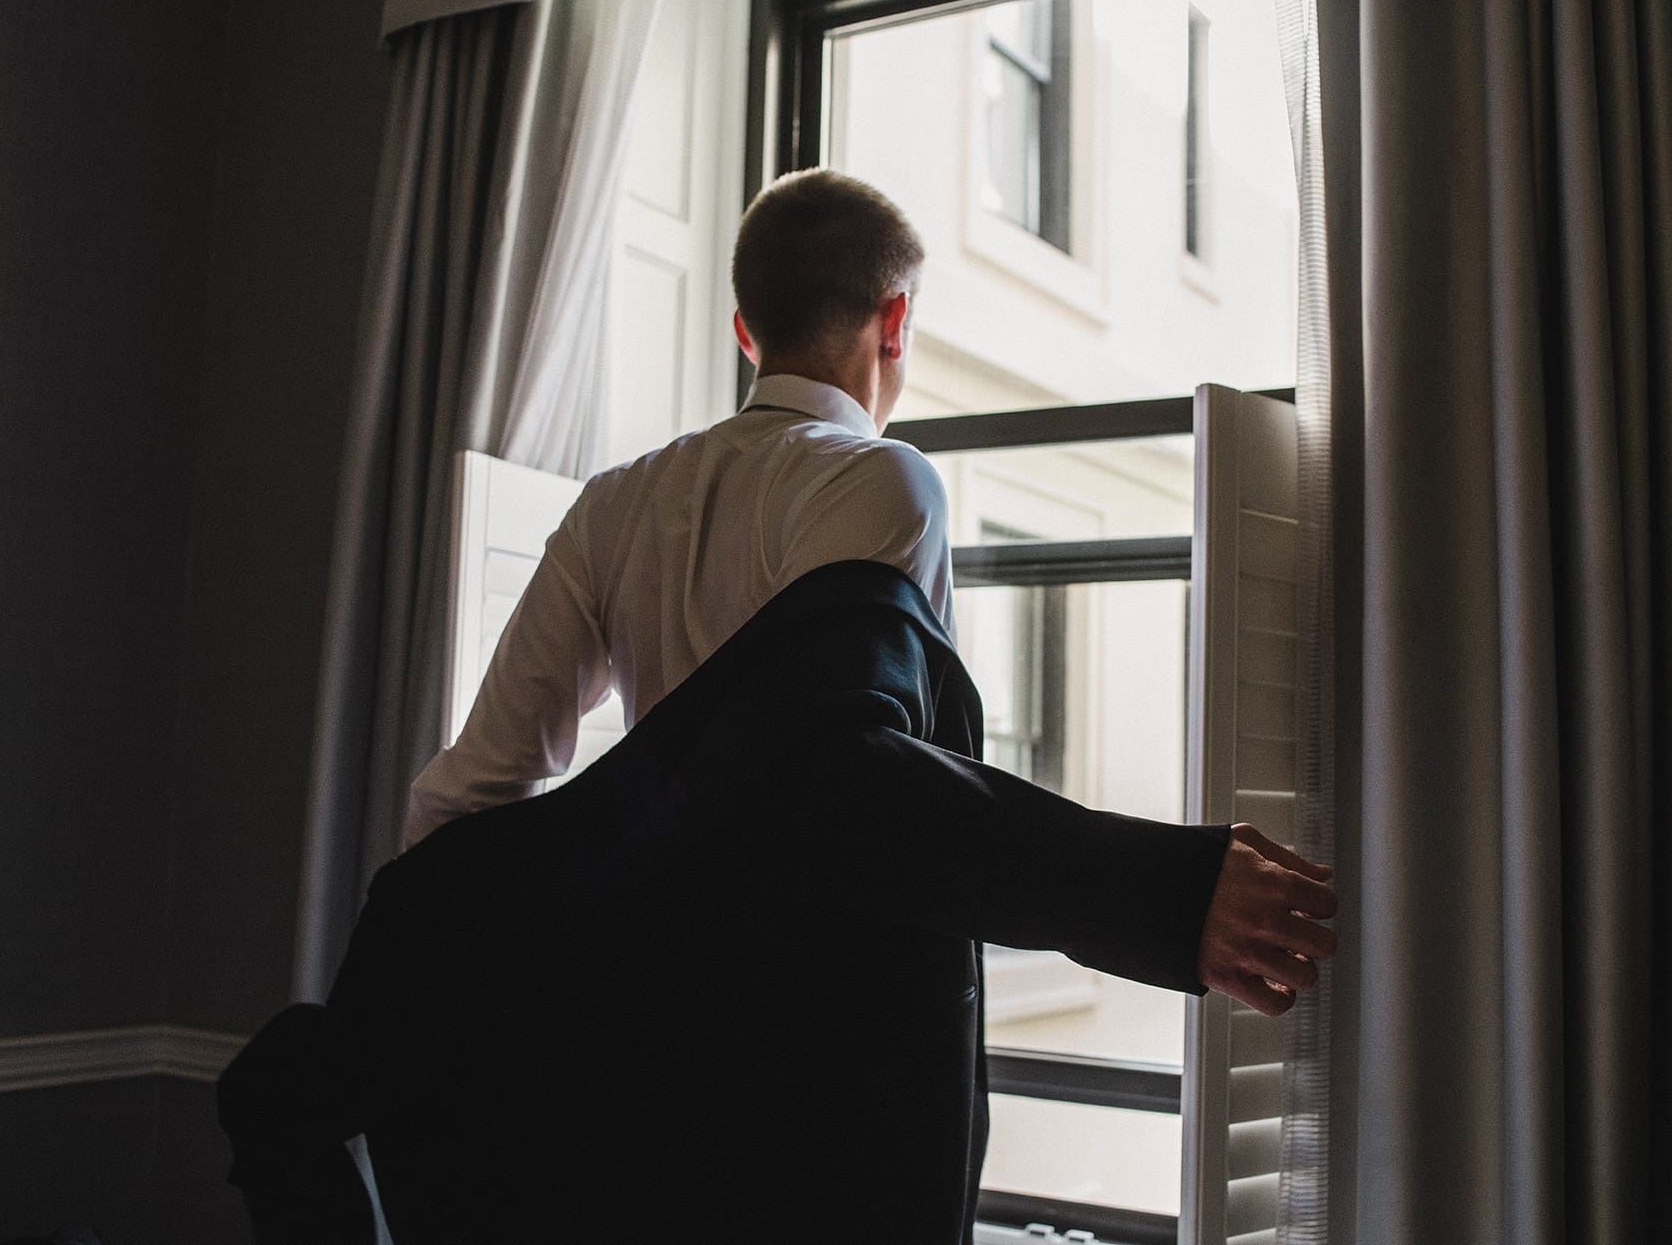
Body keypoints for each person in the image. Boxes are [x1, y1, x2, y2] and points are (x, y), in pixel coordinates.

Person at [406, 166, 1335, 1017]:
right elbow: (848, 788)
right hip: (828, 1039)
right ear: (895, 322)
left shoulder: (611, 505)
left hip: (642, 1027)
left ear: (746, 332)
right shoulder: (886, 483)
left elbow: (468, 794)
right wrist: (1159, 891)